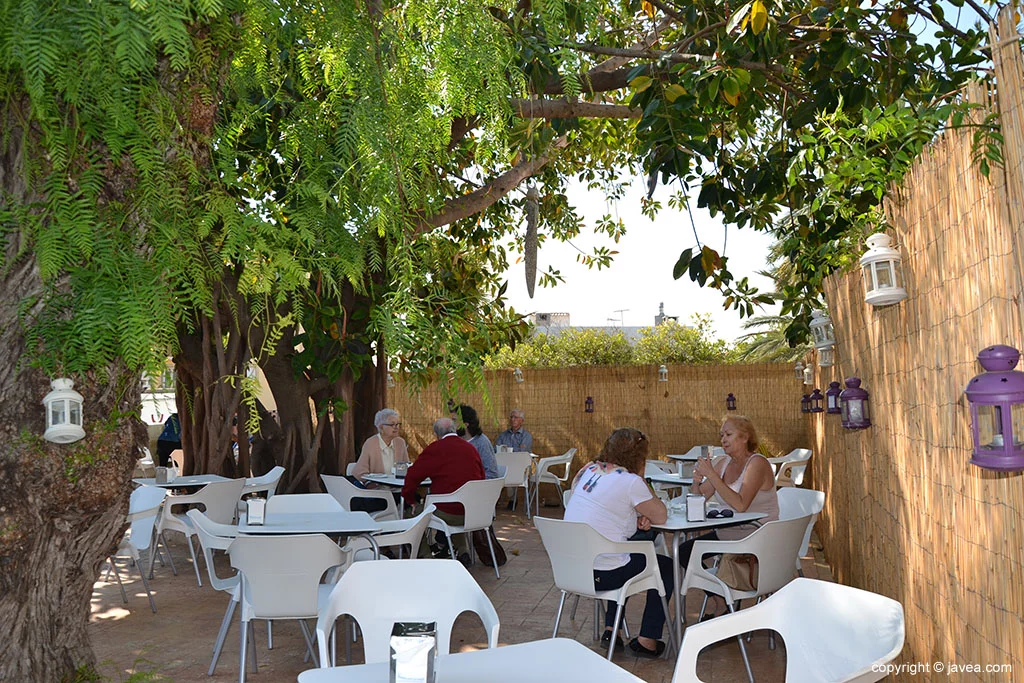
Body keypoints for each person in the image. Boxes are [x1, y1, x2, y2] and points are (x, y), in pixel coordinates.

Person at [564, 427, 674, 659]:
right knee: (663, 566)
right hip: (603, 574)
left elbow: (605, 514)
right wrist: (641, 479)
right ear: (639, 457)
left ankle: (612, 629)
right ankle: (647, 641)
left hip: (572, 570)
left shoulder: (590, 470)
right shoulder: (630, 481)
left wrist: (637, 517)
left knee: (621, 553)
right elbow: (662, 516)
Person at [679, 415, 779, 617]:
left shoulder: (757, 463)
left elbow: (741, 505)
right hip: (731, 533)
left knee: (689, 551)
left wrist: (713, 476)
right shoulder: (722, 462)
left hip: (757, 535)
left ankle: (725, 603)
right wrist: (697, 482)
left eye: (729, 434)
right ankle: (722, 601)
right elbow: (699, 499)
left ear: (745, 437)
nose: (723, 439)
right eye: (721, 435)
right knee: (684, 552)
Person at [402, 417, 485, 565]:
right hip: (473, 513)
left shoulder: (435, 449)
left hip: (448, 513)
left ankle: (425, 556)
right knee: (456, 505)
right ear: (454, 430)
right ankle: (463, 551)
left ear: (436, 434)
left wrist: (410, 500)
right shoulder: (471, 449)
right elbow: (482, 477)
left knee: (411, 513)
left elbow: (412, 476)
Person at [348, 409, 410, 513]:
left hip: (398, 490)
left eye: (398, 424)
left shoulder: (400, 442)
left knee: (413, 499)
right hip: (378, 492)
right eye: (392, 424)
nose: (396, 427)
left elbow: (406, 466)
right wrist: (370, 483)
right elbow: (358, 472)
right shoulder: (371, 443)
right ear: (381, 427)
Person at [454, 404, 500, 480]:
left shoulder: (481, 442)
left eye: (454, 421)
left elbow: (492, 474)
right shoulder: (455, 441)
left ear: (465, 425)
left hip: (476, 487)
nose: (451, 424)